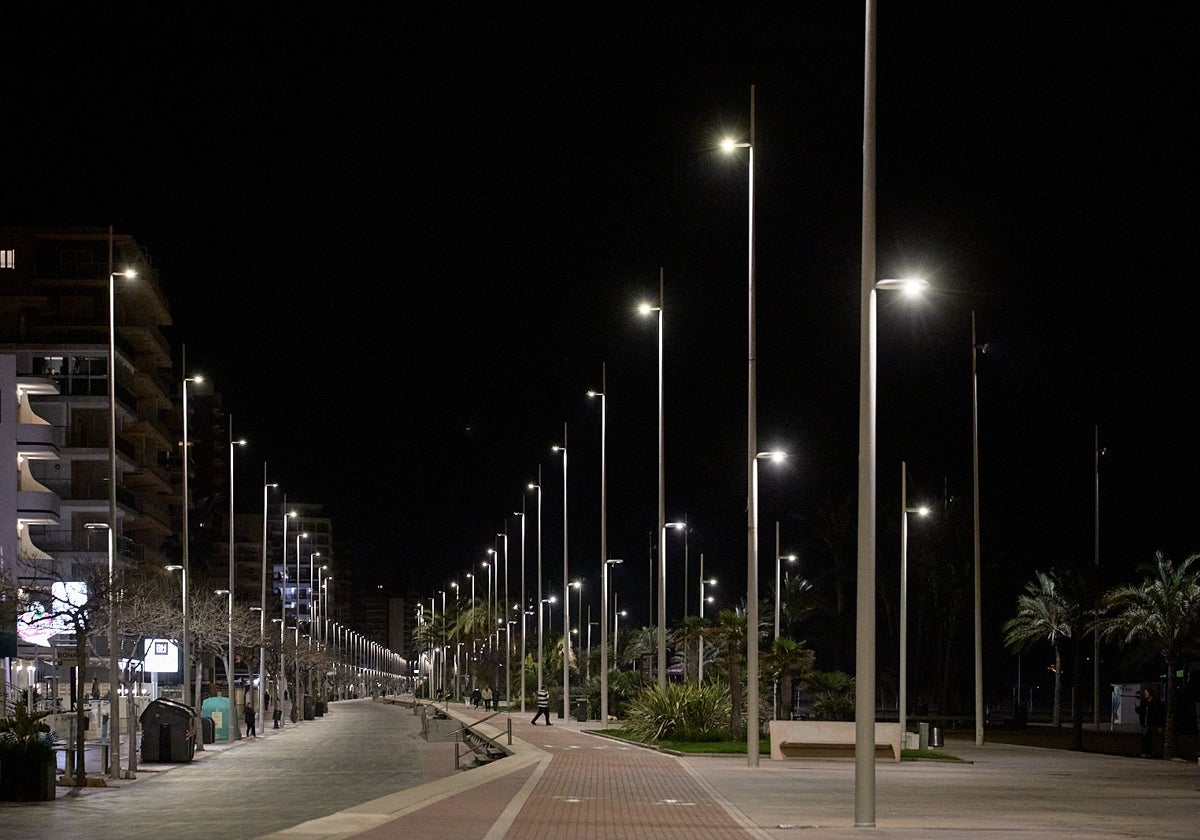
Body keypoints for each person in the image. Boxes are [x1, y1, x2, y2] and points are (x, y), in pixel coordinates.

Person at [1135, 686, 1159, 757]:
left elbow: (1155, 712)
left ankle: (1148, 752)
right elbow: (1142, 711)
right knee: (1144, 737)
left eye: (1146, 693)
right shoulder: (1144, 701)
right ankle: (1145, 752)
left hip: (1150, 722)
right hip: (1144, 722)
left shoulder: (1154, 702)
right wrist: (1137, 709)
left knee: (1147, 736)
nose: (1146, 694)